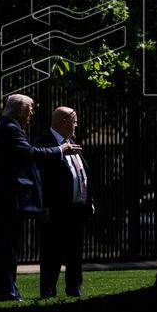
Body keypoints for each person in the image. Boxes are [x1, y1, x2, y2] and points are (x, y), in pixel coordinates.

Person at [0, 93, 81, 301]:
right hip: (8, 198)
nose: (31, 114)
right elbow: (30, 153)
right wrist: (60, 150)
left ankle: (8, 288)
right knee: (7, 247)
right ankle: (6, 290)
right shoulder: (10, 129)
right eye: (30, 109)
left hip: (6, 198)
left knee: (7, 246)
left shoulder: (7, 127)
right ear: (19, 110)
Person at [35, 106, 94, 298]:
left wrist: (87, 199)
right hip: (55, 209)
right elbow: (40, 178)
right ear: (64, 121)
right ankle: (48, 290)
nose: (76, 125)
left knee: (75, 252)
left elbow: (80, 172)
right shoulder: (44, 143)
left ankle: (74, 288)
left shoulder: (71, 141)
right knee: (52, 252)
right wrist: (43, 205)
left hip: (76, 207)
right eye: (74, 121)